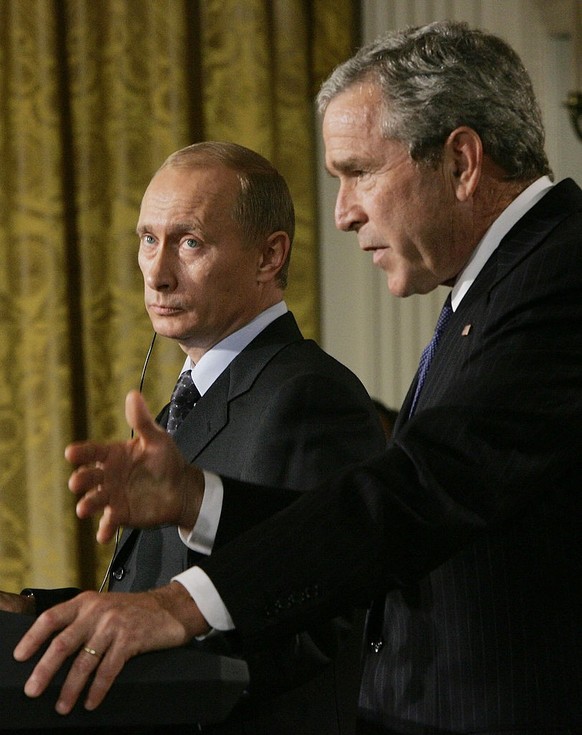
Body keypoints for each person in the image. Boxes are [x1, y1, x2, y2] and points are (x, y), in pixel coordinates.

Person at [14, 21, 582, 734]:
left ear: (461, 160)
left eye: (359, 172)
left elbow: (419, 492)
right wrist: (200, 498)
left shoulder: (561, 274)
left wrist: (177, 604)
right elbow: (385, 526)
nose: (342, 213)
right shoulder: (499, 284)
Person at [2, 141, 386, 733]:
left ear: (268, 255)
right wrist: (36, 614)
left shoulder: (308, 395)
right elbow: (156, 594)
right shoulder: (189, 400)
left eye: (189, 242)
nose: (156, 272)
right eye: (147, 239)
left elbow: (322, 616)